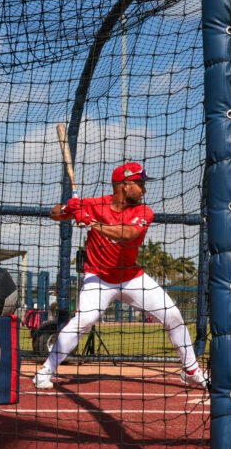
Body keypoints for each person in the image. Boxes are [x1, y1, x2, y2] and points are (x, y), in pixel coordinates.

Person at [32, 162, 209, 391]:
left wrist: (91, 222)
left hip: (131, 277)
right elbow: (53, 213)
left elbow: (127, 234)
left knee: (172, 315)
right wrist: (70, 208)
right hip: (98, 278)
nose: (144, 189)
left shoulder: (143, 212)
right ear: (124, 185)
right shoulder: (95, 204)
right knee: (84, 320)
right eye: (140, 184)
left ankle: (191, 371)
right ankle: (46, 371)